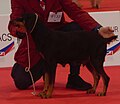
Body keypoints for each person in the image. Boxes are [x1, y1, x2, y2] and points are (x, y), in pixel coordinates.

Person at [8, 0, 114, 91]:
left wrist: (98, 29)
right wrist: (18, 31)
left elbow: (76, 12)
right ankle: (46, 72)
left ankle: (74, 77)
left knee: (76, 28)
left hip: (59, 39)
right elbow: (14, 21)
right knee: (21, 80)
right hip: (35, 45)